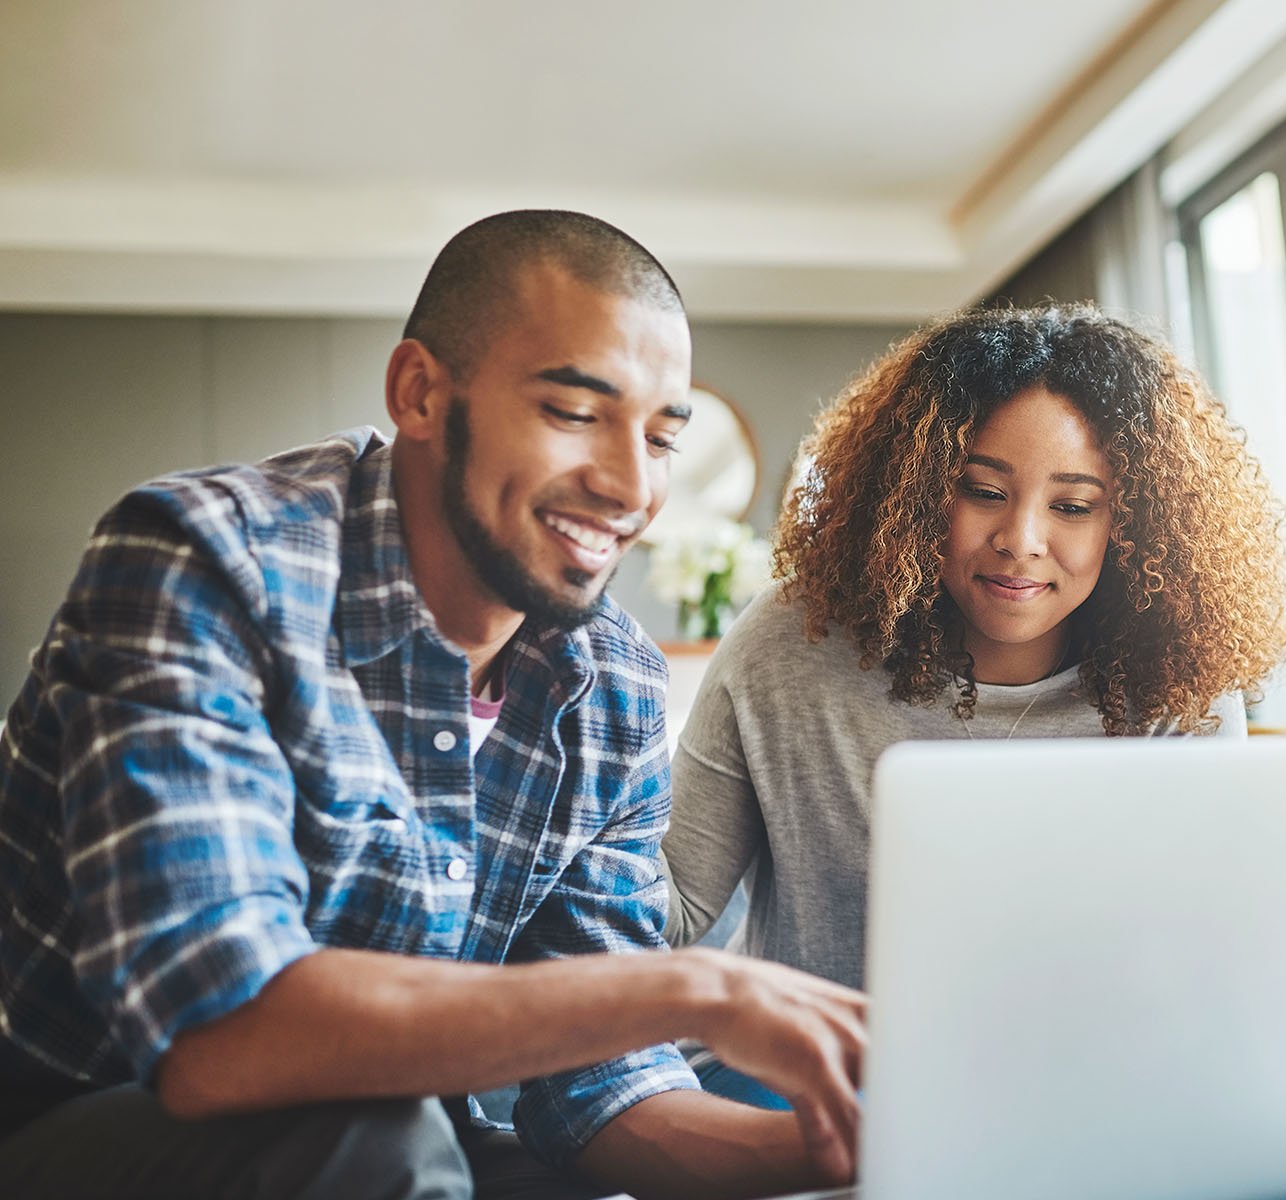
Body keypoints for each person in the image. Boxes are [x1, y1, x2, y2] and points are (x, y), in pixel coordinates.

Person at [0, 210, 865, 1200]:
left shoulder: (612, 684)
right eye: (574, 414)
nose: (631, 484)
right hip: (80, 1132)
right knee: (375, 1138)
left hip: (402, 1144)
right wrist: (694, 986)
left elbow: (598, 1089)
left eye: (662, 437)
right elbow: (215, 1032)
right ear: (419, 393)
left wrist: (862, 1156)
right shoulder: (205, 564)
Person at [661, 304, 1286, 1106]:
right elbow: (671, 908)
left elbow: (1206, 941)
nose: (1021, 539)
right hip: (812, 1084)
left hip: (1082, 1081)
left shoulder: (1176, 682)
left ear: (1131, 524)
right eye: (983, 491)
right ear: (921, 487)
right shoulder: (793, 644)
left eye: (1072, 506)